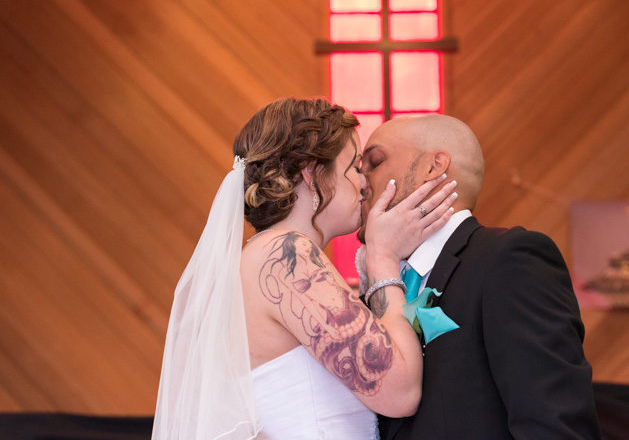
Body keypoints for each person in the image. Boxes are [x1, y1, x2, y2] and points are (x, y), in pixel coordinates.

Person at [151, 98, 457, 440]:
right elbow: (399, 392)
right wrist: (384, 257)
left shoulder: (265, 257)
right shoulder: (285, 256)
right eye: (354, 167)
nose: (364, 182)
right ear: (312, 174)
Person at [357, 114, 602, 440]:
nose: (361, 181)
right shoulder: (383, 284)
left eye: (374, 162)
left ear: (434, 166)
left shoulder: (509, 260)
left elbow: (555, 425)